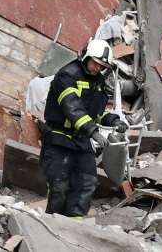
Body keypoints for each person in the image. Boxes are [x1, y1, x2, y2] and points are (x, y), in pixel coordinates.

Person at [40, 39, 128, 218]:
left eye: (102, 66)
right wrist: (93, 132)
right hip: (59, 138)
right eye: (95, 62)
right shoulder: (66, 76)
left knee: (87, 183)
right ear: (86, 56)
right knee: (60, 186)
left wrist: (114, 121)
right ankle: (54, 223)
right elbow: (73, 109)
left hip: (81, 140)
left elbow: (96, 112)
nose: (98, 68)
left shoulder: (99, 81)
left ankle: (74, 224)